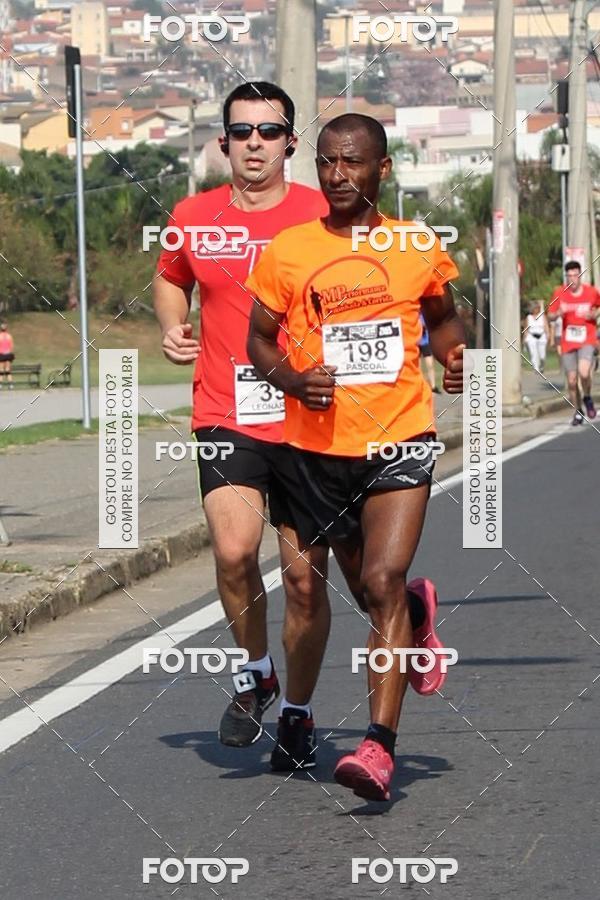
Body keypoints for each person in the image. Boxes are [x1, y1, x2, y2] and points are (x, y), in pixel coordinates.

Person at [246, 113, 466, 801]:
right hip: (314, 450)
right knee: (365, 590)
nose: (338, 177)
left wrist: (455, 353)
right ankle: (415, 616)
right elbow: (258, 340)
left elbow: (443, 317)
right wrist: (289, 379)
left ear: (383, 170)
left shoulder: (415, 245)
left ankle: (378, 747)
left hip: (400, 437)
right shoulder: (288, 250)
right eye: (327, 163)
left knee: (381, 579)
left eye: (352, 164)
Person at [153, 82, 330, 771]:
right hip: (228, 411)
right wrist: (173, 327)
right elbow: (171, 275)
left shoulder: (324, 213)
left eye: (269, 129)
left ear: (291, 141)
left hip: (312, 416)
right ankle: (257, 673)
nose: (255, 142)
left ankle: (298, 714)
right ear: (223, 142)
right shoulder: (193, 214)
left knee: (305, 579)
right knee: (233, 552)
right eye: (242, 131)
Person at [548, 260, 600, 425]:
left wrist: (595, 315)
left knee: (584, 373)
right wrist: (558, 314)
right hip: (568, 341)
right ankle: (578, 411)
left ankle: (587, 397)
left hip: (587, 338)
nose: (573, 279)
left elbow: (599, 307)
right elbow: (549, 315)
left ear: (580, 275)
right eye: (569, 276)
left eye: (575, 275)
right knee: (571, 380)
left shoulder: (591, 292)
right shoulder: (559, 292)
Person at [523, 300, 549, 374]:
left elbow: (546, 326)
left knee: (542, 355)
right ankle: (536, 368)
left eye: (537, 308)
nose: (535, 309)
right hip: (531, 336)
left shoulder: (542, 316)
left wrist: (548, 335)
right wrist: (524, 340)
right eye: (534, 308)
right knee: (533, 353)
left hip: (542, 336)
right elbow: (526, 329)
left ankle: (542, 366)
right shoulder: (529, 317)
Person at [418, 312, 440, 392]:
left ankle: (433, 386)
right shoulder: (413, 313)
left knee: (430, 365)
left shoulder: (425, 313)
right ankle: (420, 386)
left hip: (425, 342)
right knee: (418, 367)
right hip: (416, 342)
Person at [0, 322, 15, 390]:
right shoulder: (9, 336)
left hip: (1, 354)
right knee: (8, 370)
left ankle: (0, 384)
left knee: (1, 370)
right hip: (8, 354)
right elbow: (11, 346)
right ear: (6, 329)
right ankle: (11, 384)